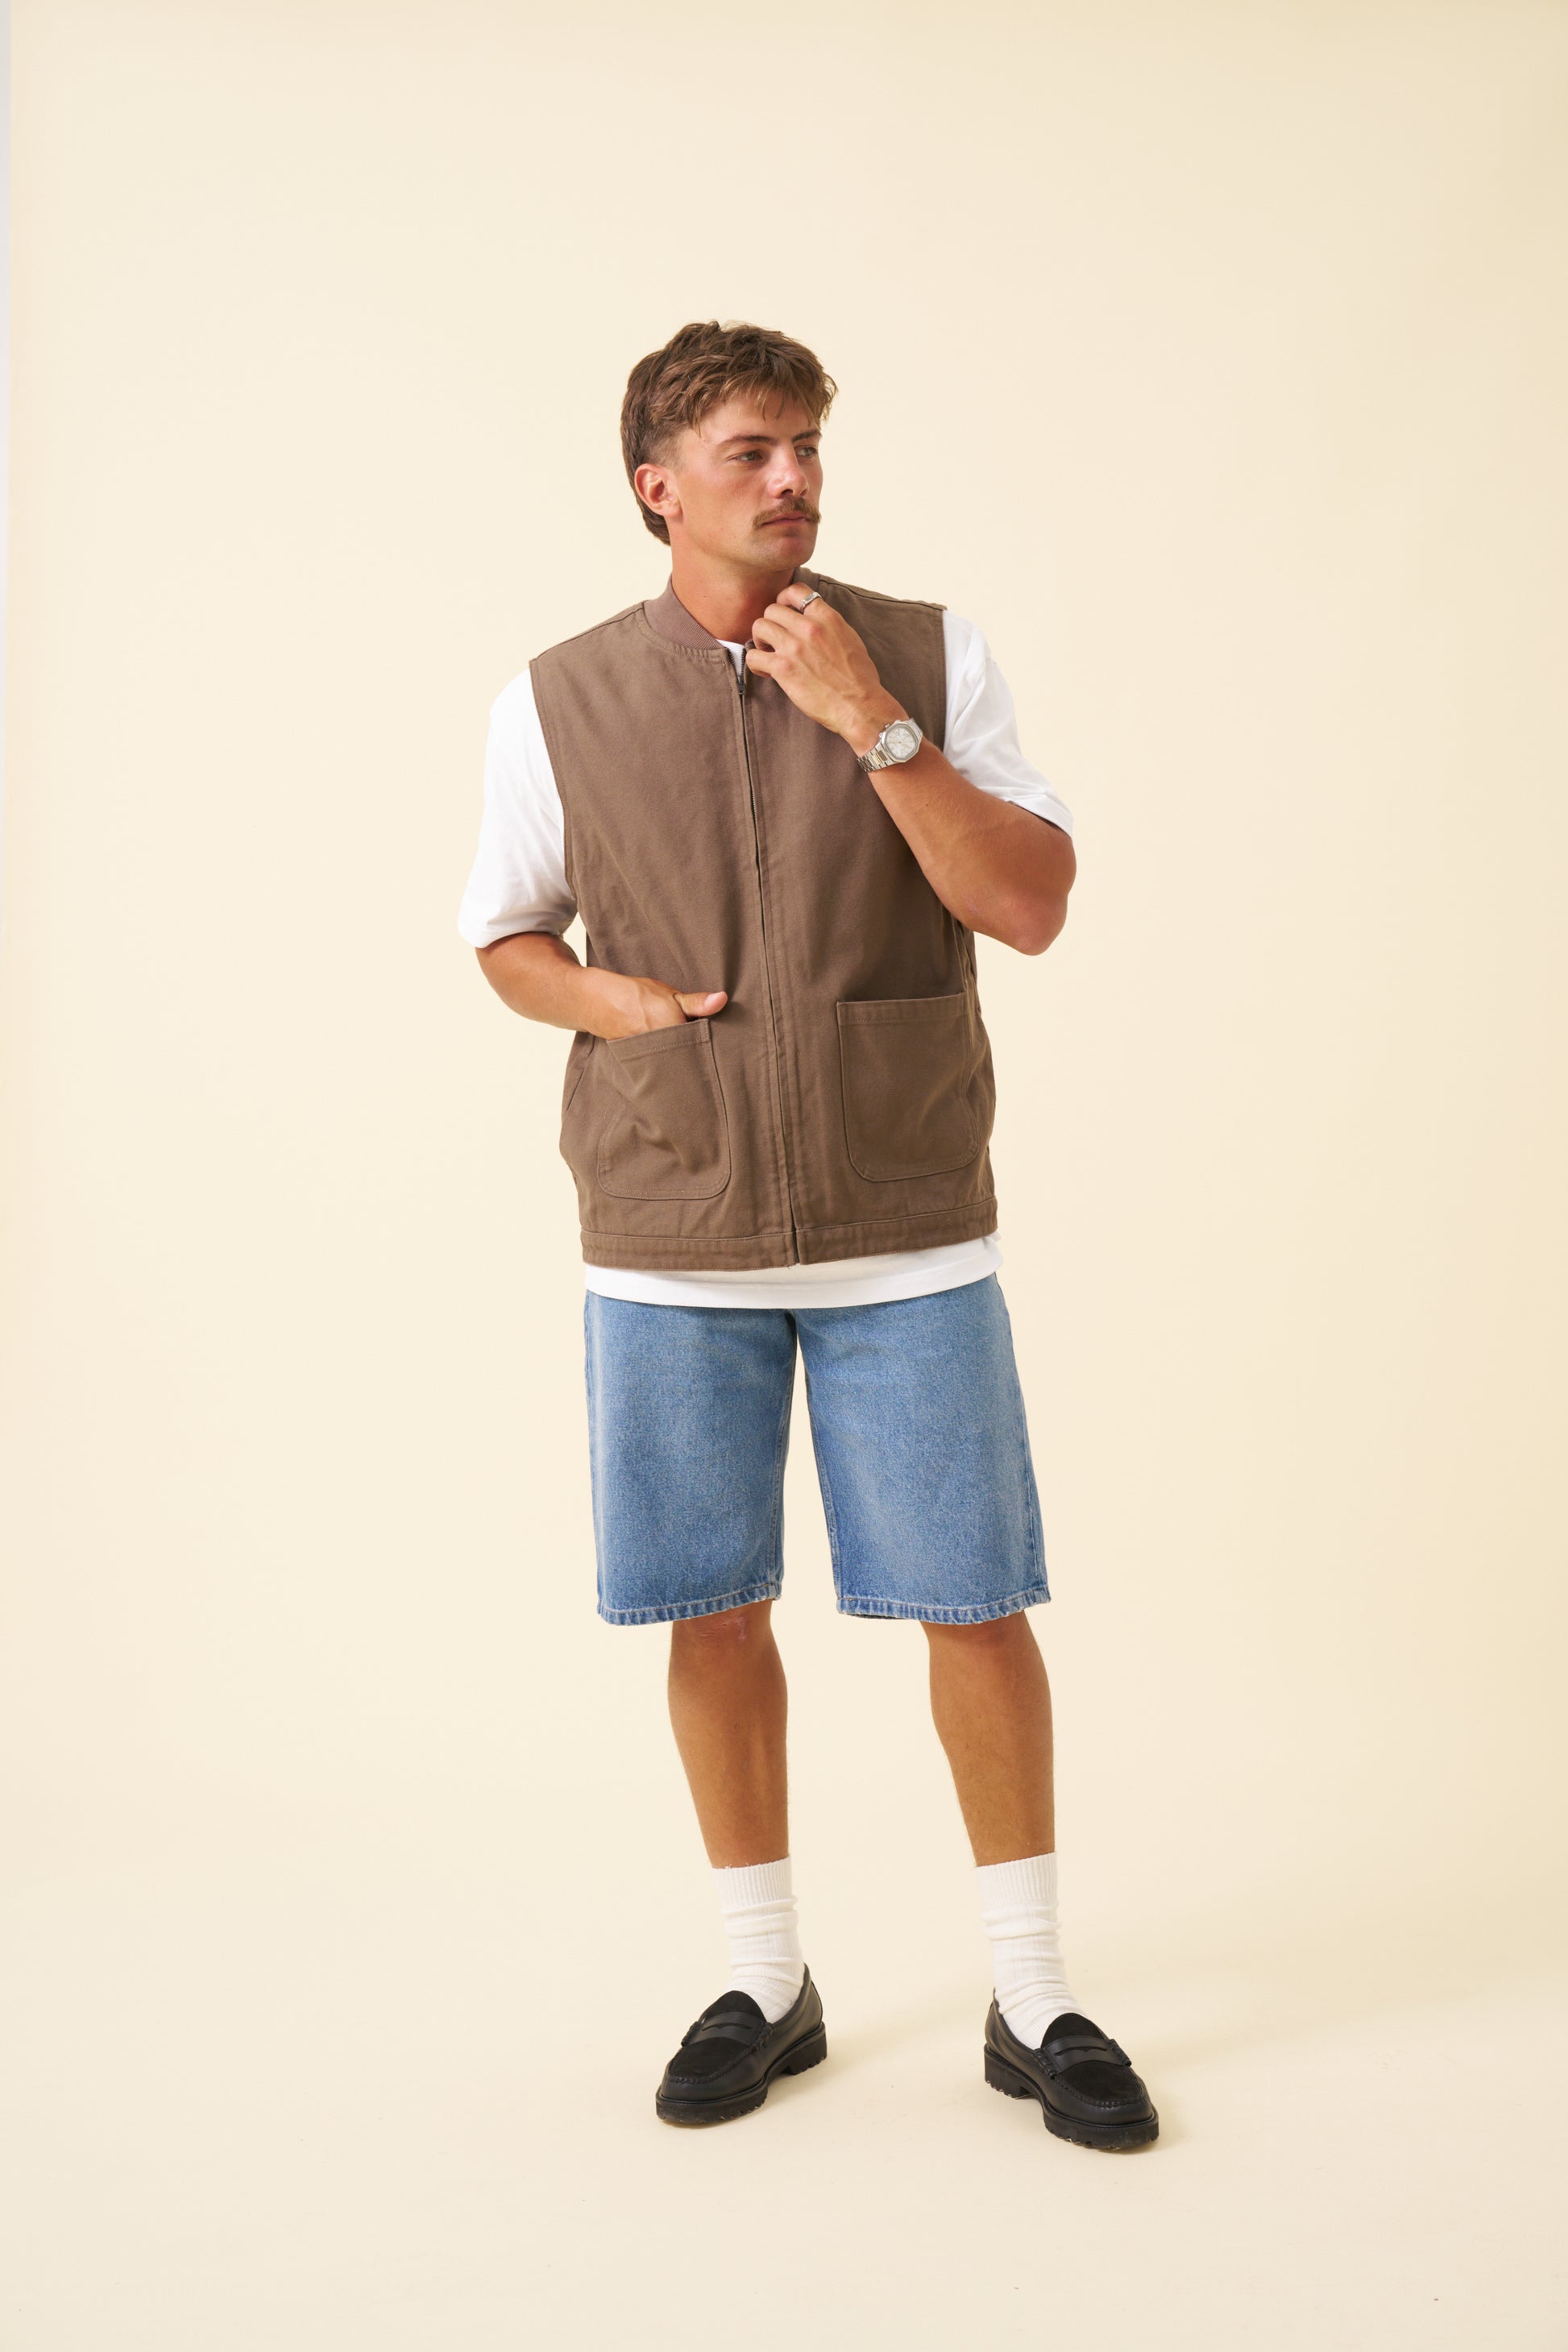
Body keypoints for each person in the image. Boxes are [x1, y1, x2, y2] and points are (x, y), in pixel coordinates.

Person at [458, 320, 1158, 2151]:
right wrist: (608, 1007)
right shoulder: (555, 699)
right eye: (753, 453)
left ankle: (1033, 1994)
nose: (794, 481)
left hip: (902, 1215)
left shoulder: (926, 653)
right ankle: (764, 1979)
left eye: (808, 449)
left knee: (973, 1601)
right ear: (657, 489)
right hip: (669, 1222)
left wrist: (876, 723)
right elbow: (507, 935)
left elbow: (1028, 905)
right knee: (708, 1606)